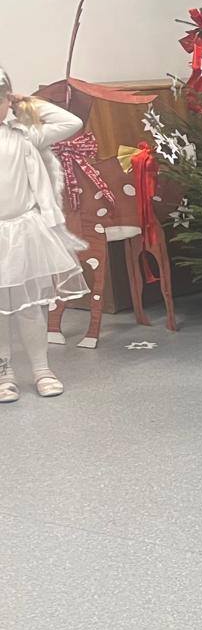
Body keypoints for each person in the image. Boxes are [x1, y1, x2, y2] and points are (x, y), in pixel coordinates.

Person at [0, 66, 89, 400]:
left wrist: (27, 104)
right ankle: (3, 372)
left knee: (30, 307)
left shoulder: (23, 135)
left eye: (0, 100)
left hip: (22, 233)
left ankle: (42, 370)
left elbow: (71, 123)